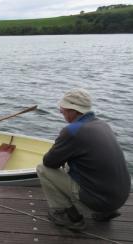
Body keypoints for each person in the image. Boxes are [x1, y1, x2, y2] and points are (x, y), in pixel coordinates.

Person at [37, 88, 131, 231]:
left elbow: (49, 162)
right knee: (74, 165)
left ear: (73, 110)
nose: (61, 111)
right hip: (119, 198)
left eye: (62, 109)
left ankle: (69, 216)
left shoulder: (72, 131)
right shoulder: (103, 125)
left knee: (43, 169)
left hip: (100, 200)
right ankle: (105, 212)